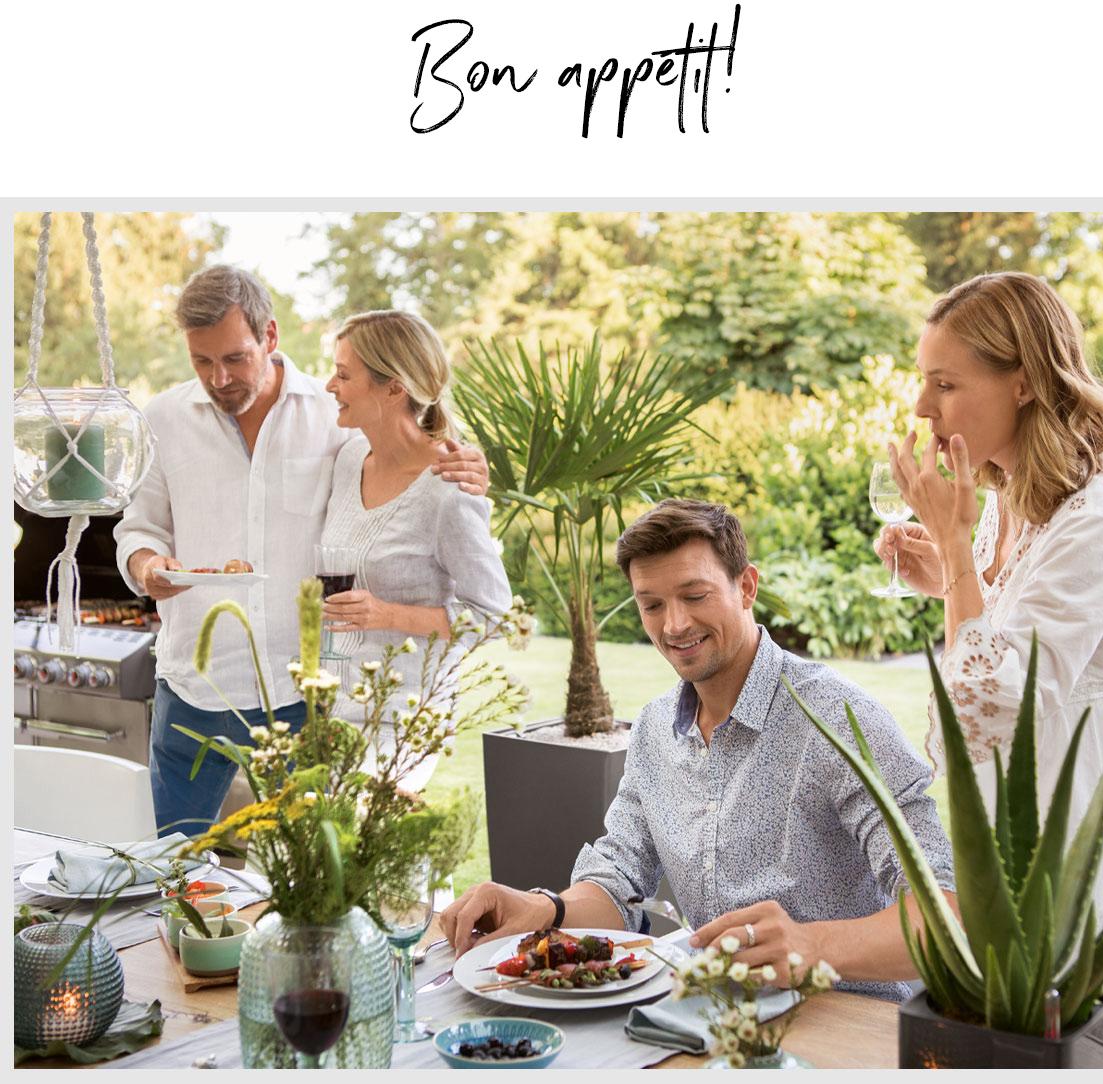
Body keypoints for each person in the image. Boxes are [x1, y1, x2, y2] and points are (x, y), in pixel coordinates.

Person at [442, 499, 955, 1000]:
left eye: (695, 595)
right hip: (707, 1023)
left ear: (746, 586)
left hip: (846, 1026)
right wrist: (545, 908)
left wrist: (810, 944)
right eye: (652, 605)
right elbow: (618, 881)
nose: (674, 626)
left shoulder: (838, 720)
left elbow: (948, 915)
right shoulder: (653, 729)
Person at [114, 266, 488, 836]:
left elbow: (409, 462)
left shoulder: (336, 416)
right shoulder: (162, 419)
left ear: (269, 336)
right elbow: (138, 527)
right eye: (202, 361)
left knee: (305, 882)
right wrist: (147, 564)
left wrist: (471, 470)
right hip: (192, 683)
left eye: (234, 358)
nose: (219, 378)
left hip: (303, 697)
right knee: (165, 861)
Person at [874, 271, 1103, 1041]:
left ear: (1022, 381)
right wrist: (954, 576)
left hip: (1070, 853)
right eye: (925, 382)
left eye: (946, 384)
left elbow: (985, 714)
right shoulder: (1015, 498)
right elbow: (1003, 636)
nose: (923, 409)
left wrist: (953, 547)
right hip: (1014, 852)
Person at [318, 310, 513, 790]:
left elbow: (491, 614)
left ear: (393, 389)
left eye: (344, 375)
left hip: (405, 719)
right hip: (335, 711)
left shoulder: (447, 489)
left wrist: (387, 613)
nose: (329, 385)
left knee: (373, 859)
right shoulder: (347, 460)